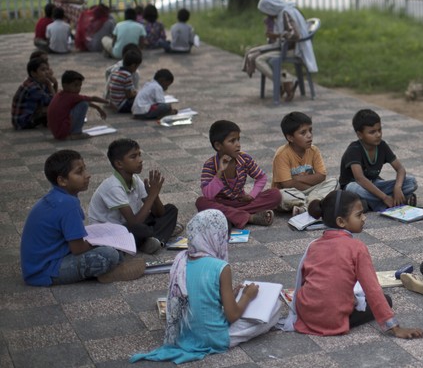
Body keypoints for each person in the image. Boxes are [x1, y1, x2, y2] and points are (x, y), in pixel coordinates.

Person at [130, 209, 282, 363]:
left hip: (185, 335)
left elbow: (203, 293)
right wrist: (247, 296)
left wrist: (232, 293)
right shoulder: (221, 267)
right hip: (214, 338)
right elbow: (232, 315)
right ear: (217, 237)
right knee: (275, 307)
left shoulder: (180, 259)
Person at [291, 190, 423, 339]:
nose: (364, 218)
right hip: (331, 319)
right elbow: (372, 289)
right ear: (341, 222)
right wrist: (395, 327)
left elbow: (306, 281)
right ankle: (336, 318)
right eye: (359, 215)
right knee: (386, 300)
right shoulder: (357, 247)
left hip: (307, 315)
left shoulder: (313, 245)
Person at [20, 149, 145, 286]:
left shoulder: (57, 197)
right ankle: (108, 273)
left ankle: (111, 267)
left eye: (85, 170)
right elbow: (78, 248)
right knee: (109, 254)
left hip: (40, 265)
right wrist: (103, 243)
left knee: (114, 246)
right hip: (46, 271)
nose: (87, 175)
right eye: (79, 172)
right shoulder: (68, 204)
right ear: (62, 181)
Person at [88, 138, 179, 254]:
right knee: (140, 229)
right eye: (133, 157)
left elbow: (159, 213)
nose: (140, 160)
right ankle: (156, 236)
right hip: (110, 233)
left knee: (170, 209)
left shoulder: (135, 179)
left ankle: (152, 239)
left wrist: (155, 195)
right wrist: (152, 195)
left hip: (131, 223)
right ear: (119, 164)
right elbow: (134, 223)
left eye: (140, 155)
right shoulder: (113, 187)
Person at [197, 120, 282, 227]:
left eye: (238, 140)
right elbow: (208, 196)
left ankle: (231, 216)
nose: (238, 144)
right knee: (201, 202)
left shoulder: (244, 158)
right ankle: (249, 217)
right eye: (232, 141)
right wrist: (219, 173)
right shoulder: (210, 165)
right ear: (218, 146)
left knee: (275, 194)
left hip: (241, 201)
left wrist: (252, 195)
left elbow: (261, 177)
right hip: (221, 203)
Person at [339, 109, 418, 211]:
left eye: (379, 130)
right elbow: (360, 179)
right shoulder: (354, 149)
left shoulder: (382, 145)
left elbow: (400, 169)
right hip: (355, 188)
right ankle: (385, 203)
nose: (378, 135)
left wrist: (397, 188)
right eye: (372, 132)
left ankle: (370, 203)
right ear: (359, 134)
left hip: (374, 185)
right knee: (353, 188)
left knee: (411, 182)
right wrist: (384, 197)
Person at [242, 0, 318, 101]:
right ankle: (285, 79)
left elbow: (294, 35)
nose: (266, 15)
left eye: (266, 12)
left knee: (259, 59)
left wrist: (276, 36)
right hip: (290, 47)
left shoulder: (285, 14)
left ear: (271, 9)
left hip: (293, 50)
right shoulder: (287, 10)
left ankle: (285, 81)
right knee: (255, 53)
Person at [271, 111, 338, 216]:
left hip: (311, 190)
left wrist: (296, 178)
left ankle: (305, 206)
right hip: (291, 193)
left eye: (310, 131)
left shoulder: (314, 150)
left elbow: (321, 176)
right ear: (290, 138)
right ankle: (313, 203)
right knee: (278, 196)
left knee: (334, 183)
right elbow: (287, 184)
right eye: (303, 133)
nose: (309, 135)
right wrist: (310, 188)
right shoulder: (282, 154)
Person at [47, 70, 108, 140]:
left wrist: (97, 107)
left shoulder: (61, 94)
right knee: (84, 104)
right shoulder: (71, 96)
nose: (78, 88)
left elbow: (84, 100)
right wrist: (108, 102)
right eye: (75, 85)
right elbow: (92, 98)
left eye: (80, 86)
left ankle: (70, 133)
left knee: (82, 102)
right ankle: (76, 133)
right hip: (62, 132)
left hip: (56, 131)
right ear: (65, 85)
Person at [11, 57, 55, 130]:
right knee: (57, 108)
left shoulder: (39, 82)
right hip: (23, 122)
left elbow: (51, 96)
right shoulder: (33, 87)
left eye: (47, 69)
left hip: (26, 117)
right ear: (33, 73)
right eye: (43, 70)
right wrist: (51, 84)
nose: (47, 72)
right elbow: (53, 101)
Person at [105, 49, 141, 113]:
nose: (136, 70)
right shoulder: (127, 75)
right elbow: (129, 95)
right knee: (141, 99)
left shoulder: (115, 71)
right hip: (122, 105)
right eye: (137, 67)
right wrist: (137, 93)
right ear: (133, 66)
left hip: (114, 103)